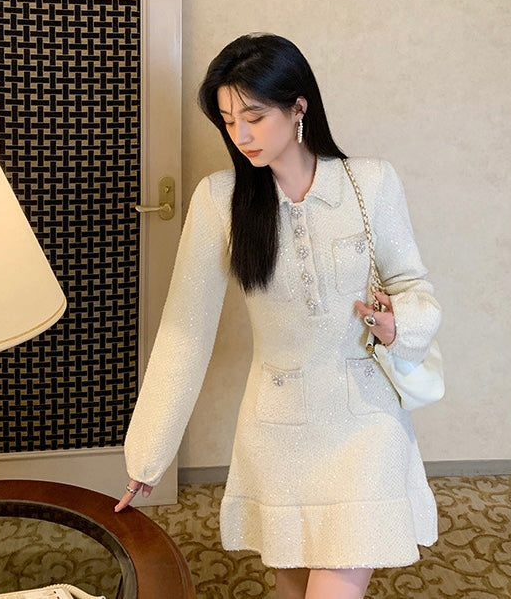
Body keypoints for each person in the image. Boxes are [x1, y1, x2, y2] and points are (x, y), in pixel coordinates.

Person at [115, 33, 441, 599]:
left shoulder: (372, 182)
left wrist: (397, 325)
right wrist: (147, 454)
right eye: (228, 121)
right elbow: (185, 332)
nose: (240, 136)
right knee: (292, 587)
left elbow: (414, 286)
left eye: (254, 117)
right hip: (278, 428)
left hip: (366, 422)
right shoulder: (220, 200)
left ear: (298, 108)